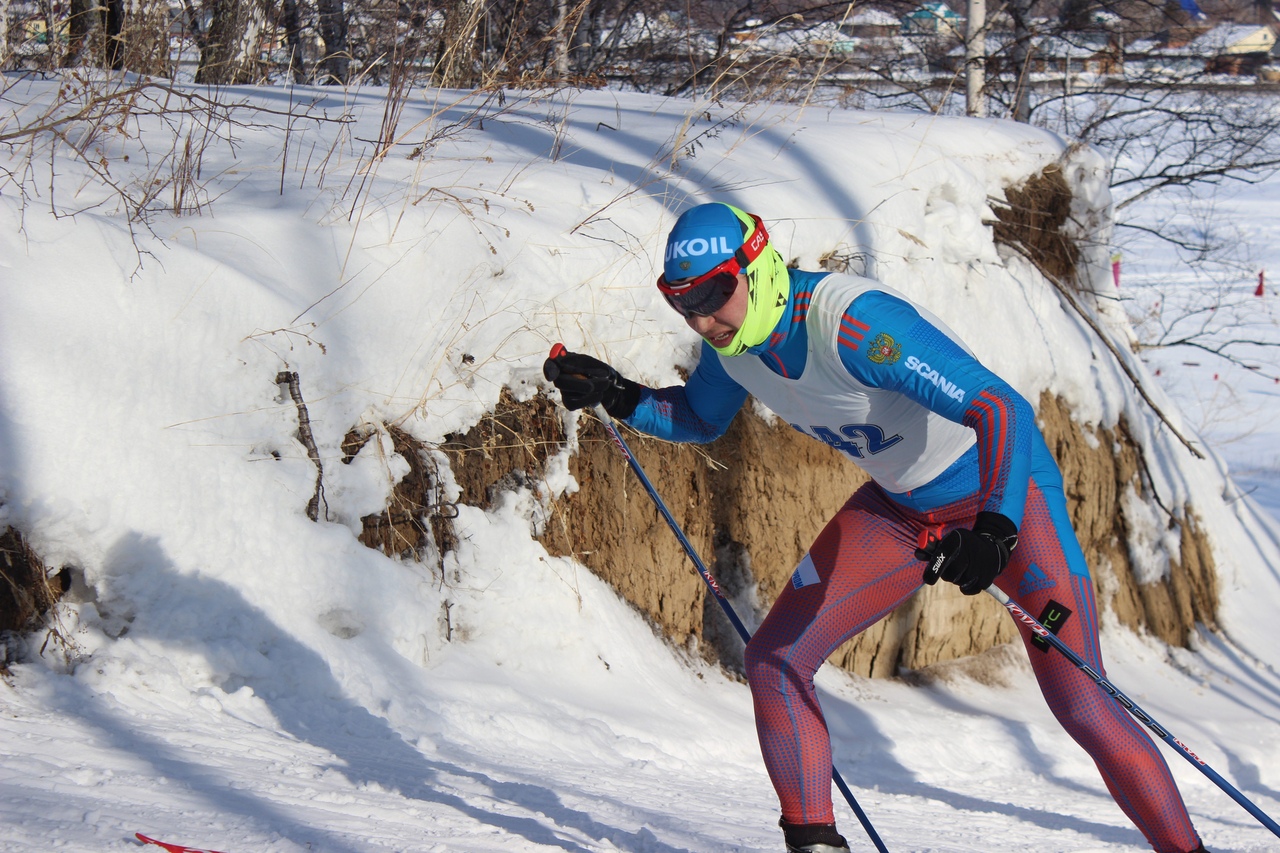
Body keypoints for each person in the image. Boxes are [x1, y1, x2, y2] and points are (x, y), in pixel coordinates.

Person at [543, 202, 1208, 853]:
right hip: (904, 510)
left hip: (1008, 496)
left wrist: (996, 531)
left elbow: (1001, 408)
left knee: (1084, 704)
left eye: (713, 293)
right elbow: (698, 419)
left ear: (758, 265)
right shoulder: (733, 343)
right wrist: (620, 394)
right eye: (679, 300)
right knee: (774, 659)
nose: (701, 316)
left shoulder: (854, 325)